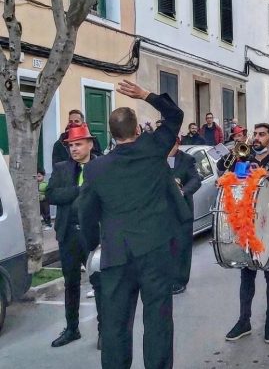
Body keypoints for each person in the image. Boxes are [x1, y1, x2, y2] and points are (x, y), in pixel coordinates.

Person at [78, 80, 186, 369]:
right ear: (136, 130)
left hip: (116, 253)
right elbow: (175, 116)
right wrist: (145, 94)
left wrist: (92, 247)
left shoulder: (95, 168)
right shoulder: (152, 149)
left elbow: (85, 213)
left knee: (115, 327)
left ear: (111, 134)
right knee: (158, 320)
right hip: (154, 250)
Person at [224, 123, 269, 344]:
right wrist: (235, 153)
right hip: (247, 227)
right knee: (247, 275)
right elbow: (222, 170)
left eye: (262, 135)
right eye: (255, 134)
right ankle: (244, 321)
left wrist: (267, 174)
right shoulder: (244, 159)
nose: (256, 138)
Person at [46, 123, 101, 349]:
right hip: (68, 233)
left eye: (78, 144)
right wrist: (77, 191)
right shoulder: (62, 168)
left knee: (100, 283)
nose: (74, 149)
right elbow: (51, 194)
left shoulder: (101, 167)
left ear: (89, 144)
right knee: (71, 283)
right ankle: (72, 328)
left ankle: (103, 330)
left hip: (93, 235)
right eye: (71, 145)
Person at [168, 138, 202, 295]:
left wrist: (183, 191)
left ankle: (180, 280)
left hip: (182, 210)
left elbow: (196, 180)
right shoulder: (157, 159)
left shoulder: (187, 159)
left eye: (171, 145)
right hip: (163, 211)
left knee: (182, 246)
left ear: (177, 144)